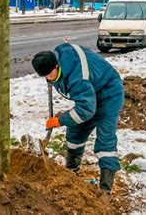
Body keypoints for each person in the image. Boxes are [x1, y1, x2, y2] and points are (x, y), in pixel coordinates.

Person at [32, 42, 124, 194]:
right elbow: (85, 106)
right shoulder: (58, 60)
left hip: (109, 95)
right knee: (75, 132)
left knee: (105, 141)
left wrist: (60, 120)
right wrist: (68, 118)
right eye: (45, 76)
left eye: (49, 74)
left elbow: (86, 109)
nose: (48, 79)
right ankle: (71, 172)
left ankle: (105, 189)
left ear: (56, 66)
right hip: (90, 94)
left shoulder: (77, 78)